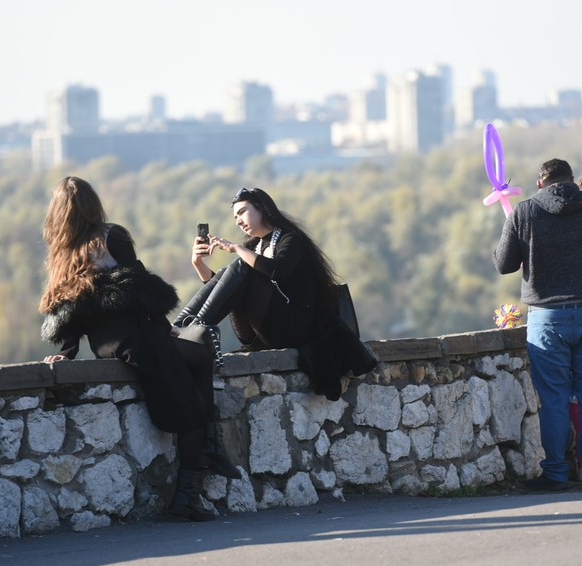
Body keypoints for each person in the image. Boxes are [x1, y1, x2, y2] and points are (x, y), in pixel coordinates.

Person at [38, 176, 238, 523]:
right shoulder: (110, 235)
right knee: (192, 409)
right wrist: (164, 327)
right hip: (138, 337)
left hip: (106, 345)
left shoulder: (62, 251)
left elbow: (66, 308)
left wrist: (67, 354)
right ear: (92, 204)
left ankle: (210, 445)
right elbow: (140, 288)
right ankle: (187, 495)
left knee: (199, 359)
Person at [493, 158, 582, 491]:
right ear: (572, 180)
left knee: (554, 398)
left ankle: (556, 474)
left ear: (540, 184)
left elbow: (503, 264)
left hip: (547, 317)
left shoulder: (524, 212)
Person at [172, 187, 376, 400]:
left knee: (240, 266)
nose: (238, 221)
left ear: (262, 208)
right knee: (228, 273)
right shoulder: (254, 247)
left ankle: (191, 332)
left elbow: (277, 270)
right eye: (235, 217)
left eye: (242, 212)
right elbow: (225, 290)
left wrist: (237, 249)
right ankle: (178, 329)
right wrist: (198, 264)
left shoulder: (291, 239)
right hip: (258, 333)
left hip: (294, 327)